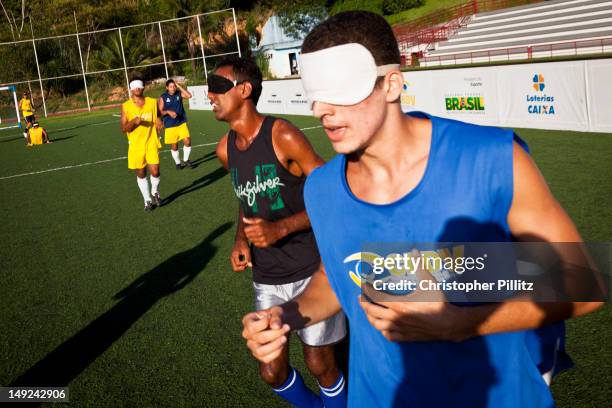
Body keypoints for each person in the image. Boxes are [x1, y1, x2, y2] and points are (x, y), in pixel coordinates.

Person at [241, 11, 604, 408]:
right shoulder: (322, 188)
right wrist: (286, 317)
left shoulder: (492, 159)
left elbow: (583, 282)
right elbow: (335, 275)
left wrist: (464, 323)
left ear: (392, 83)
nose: (320, 108)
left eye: (341, 88)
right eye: (314, 91)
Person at [211, 55, 348, 408]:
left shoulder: (282, 135)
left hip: (311, 269)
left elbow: (330, 194)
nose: (210, 94)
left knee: (321, 364)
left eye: (218, 87)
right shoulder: (225, 150)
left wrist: (282, 227)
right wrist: (241, 239)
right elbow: (246, 197)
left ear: (244, 90)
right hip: (267, 276)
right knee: (271, 372)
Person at [120, 78, 163, 212]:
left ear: (144, 87)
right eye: (134, 86)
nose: (137, 88)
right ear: (131, 89)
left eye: (140, 85)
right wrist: (133, 121)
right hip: (136, 146)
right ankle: (147, 200)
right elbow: (124, 128)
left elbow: (158, 116)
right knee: (141, 174)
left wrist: (159, 121)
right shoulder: (126, 106)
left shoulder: (152, 102)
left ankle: (155, 191)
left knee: (155, 171)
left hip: (151, 142)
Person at [158, 79, 193, 169]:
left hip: (181, 122)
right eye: (171, 87)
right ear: (167, 87)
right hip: (170, 125)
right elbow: (160, 112)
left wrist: (179, 86)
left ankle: (186, 160)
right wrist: (168, 112)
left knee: (187, 141)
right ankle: (178, 163)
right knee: (174, 146)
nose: (173, 88)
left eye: (174, 86)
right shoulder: (163, 97)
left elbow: (189, 96)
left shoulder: (178, 93)